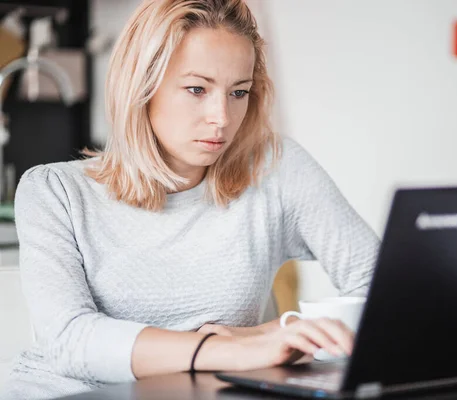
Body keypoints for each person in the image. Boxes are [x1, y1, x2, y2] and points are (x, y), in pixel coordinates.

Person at [1, 0, 380, 399]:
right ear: (141, 85)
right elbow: (70, 340)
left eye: (239, 92)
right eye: (197, 89)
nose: (221, 117)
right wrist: (225, 351)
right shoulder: (53, 190)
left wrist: (272, 332)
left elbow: (383, 289)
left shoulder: (275, 169)